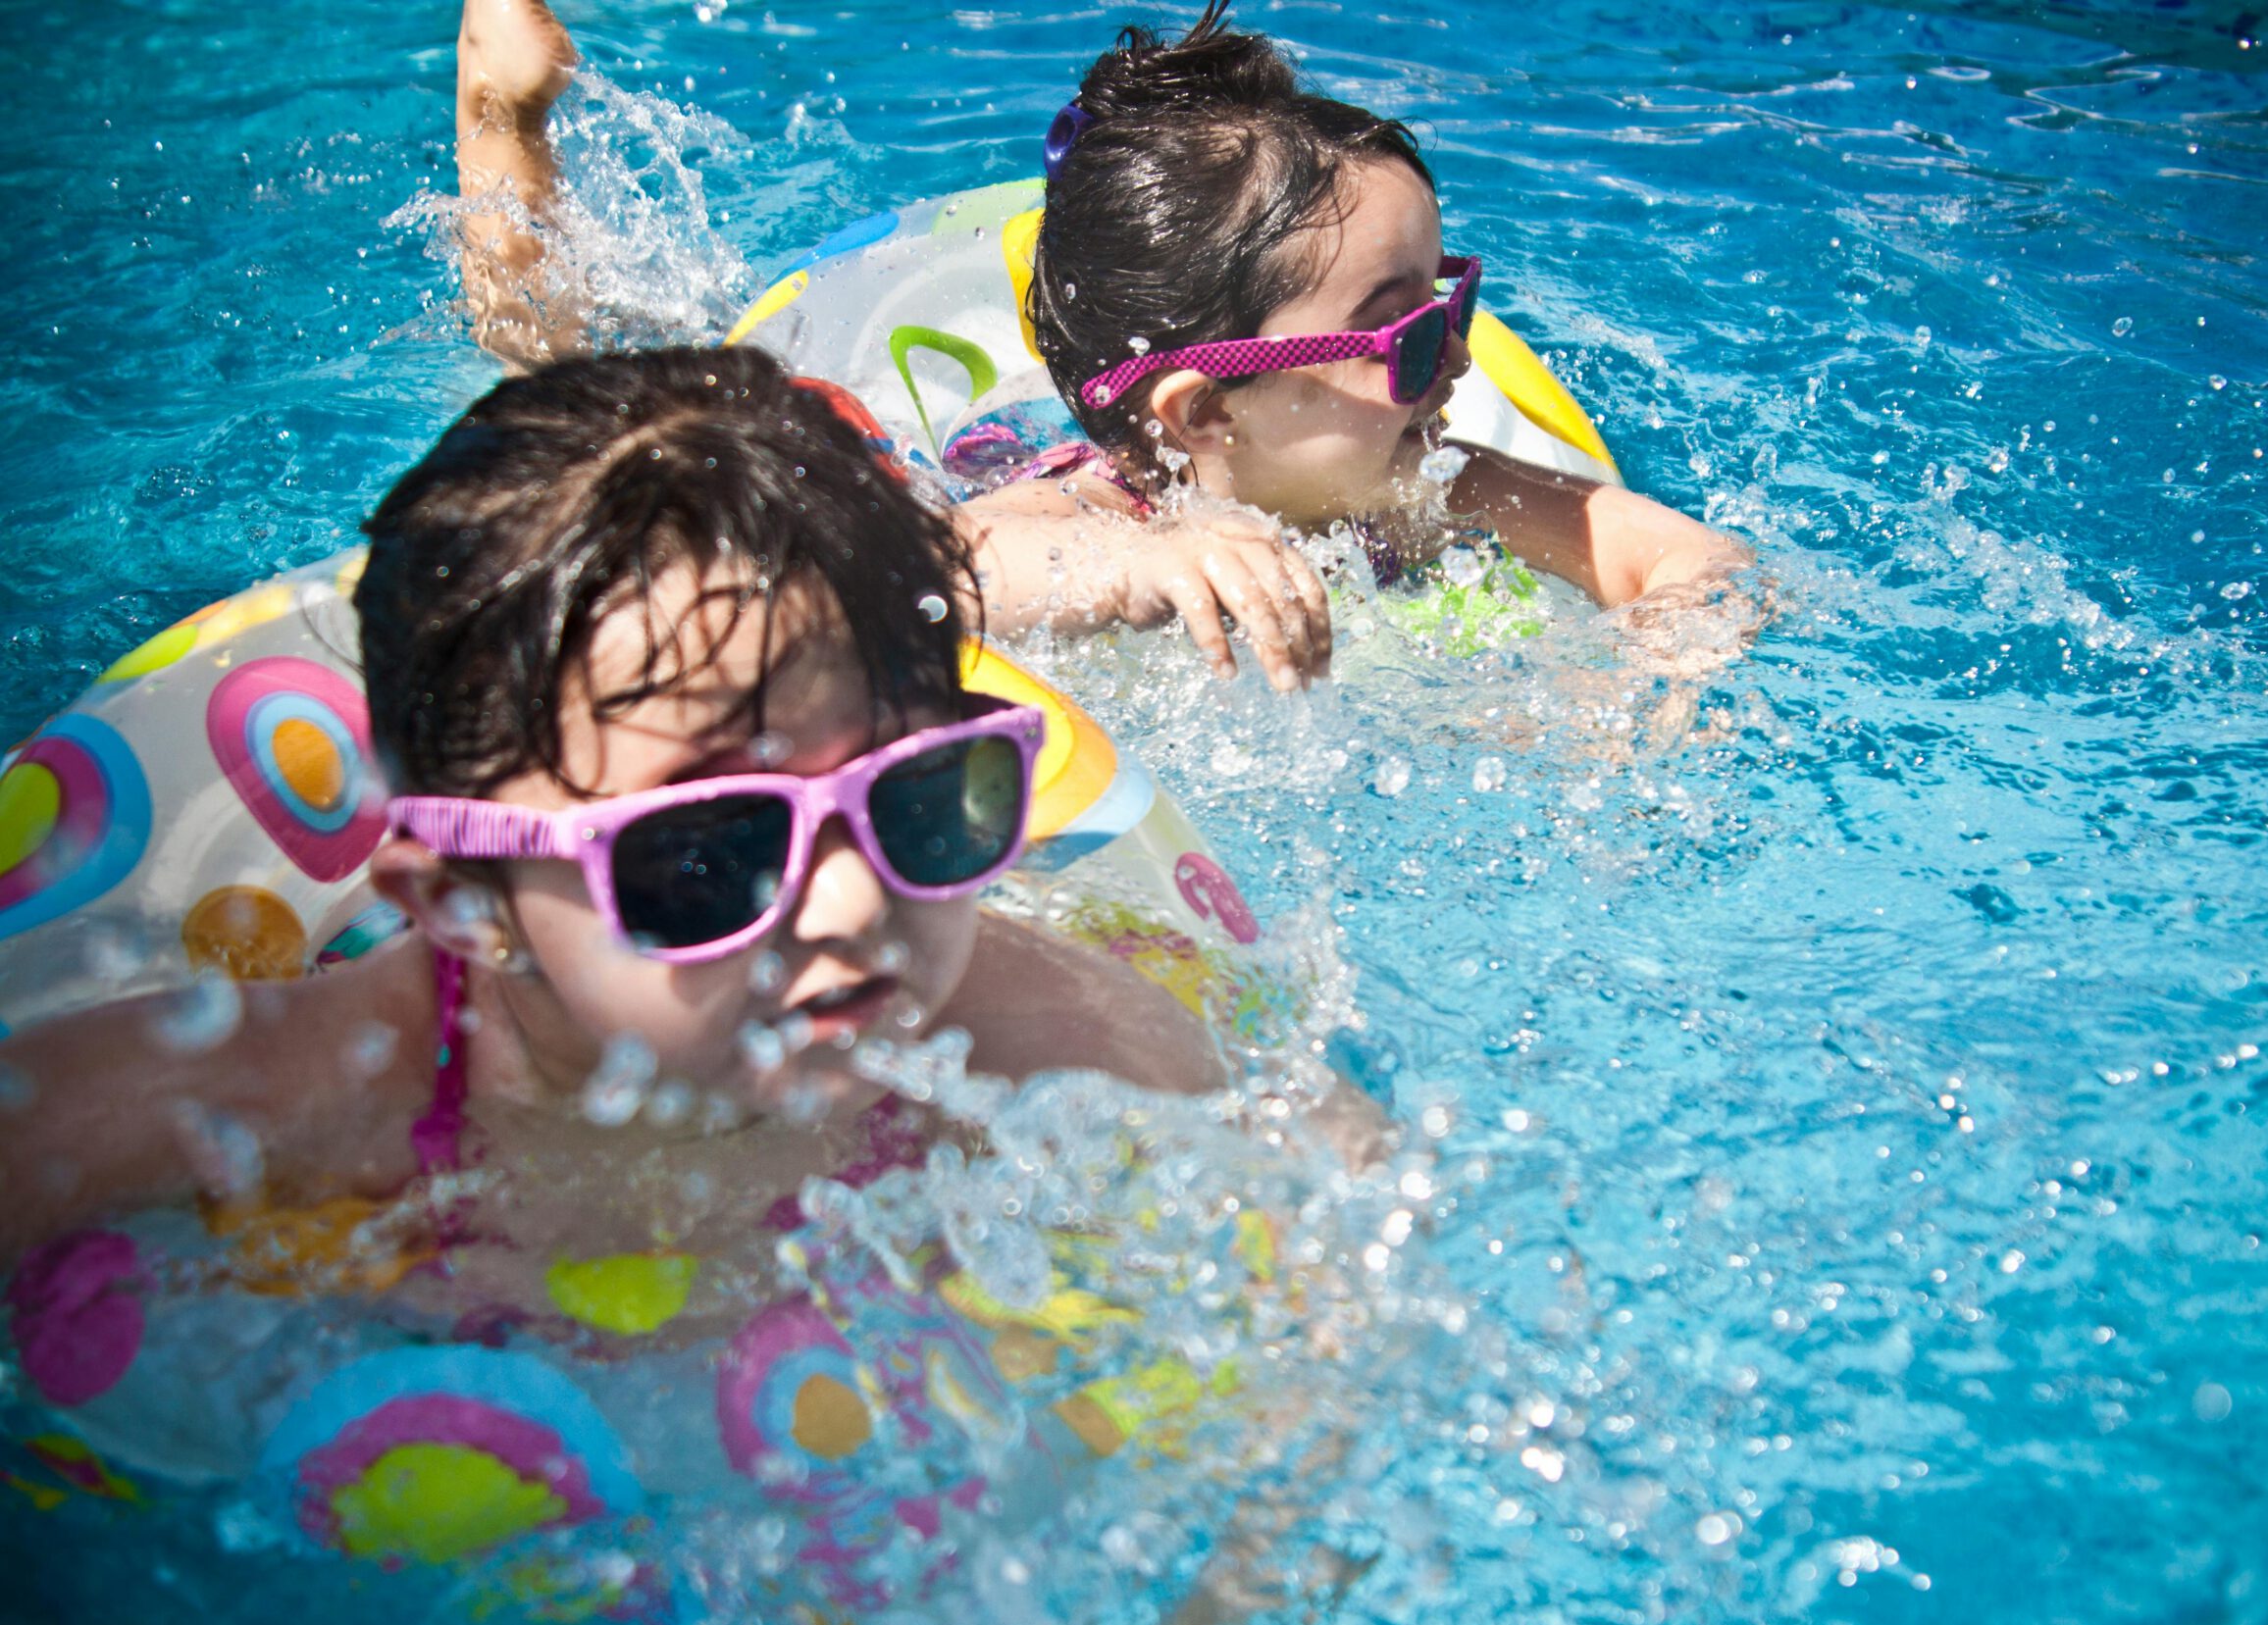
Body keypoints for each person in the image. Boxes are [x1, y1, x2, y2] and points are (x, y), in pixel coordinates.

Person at [0, 346, 1232, 1282]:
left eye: (917, 801)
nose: (856, 904)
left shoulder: (1037, 1040)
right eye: (709, 853)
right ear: (461, 899)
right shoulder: (265, 1107)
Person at [448, 0, 1751, 695]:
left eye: (1450, 307)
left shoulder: (1437, 483)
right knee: (579, 407)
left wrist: (1671, 654)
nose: (1455, 366)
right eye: (1403, 340)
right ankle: (503, 115)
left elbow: (1672, 551)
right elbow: (922, 581)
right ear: (1200, 416)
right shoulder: (1087, 503)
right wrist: (1140, 557)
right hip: (936, 464)